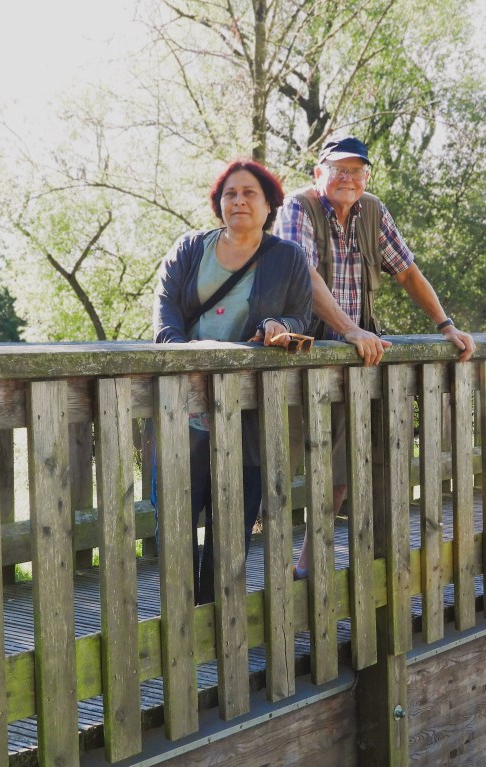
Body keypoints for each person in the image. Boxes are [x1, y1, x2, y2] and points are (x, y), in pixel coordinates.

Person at [276, 135, 476, 578]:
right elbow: (302, 274)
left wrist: (446, 326)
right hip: (293, 361)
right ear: (318, 173)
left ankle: (308, 570)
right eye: (338, 170)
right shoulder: (297, 207)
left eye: (357, 171)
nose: (348, 179)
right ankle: (268, 572)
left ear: (366, 176)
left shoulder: (373, 210)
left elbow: (406, 270)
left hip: (350, 366)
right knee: (276, 474)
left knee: (339, 474)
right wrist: (351, 329)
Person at [153, 159, 313, 604]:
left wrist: (280, 324)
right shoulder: (189, 249)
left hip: (247, 414)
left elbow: (303, 315)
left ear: (269, 205)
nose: (239, 201)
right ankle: (179, 628)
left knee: (232, 529)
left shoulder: (287, 257)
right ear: (219, 203)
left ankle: (220, 631)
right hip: (183, 408)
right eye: (230, 194)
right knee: (176, 523)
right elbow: (165, 310)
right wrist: (183, 356)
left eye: (249, 193)